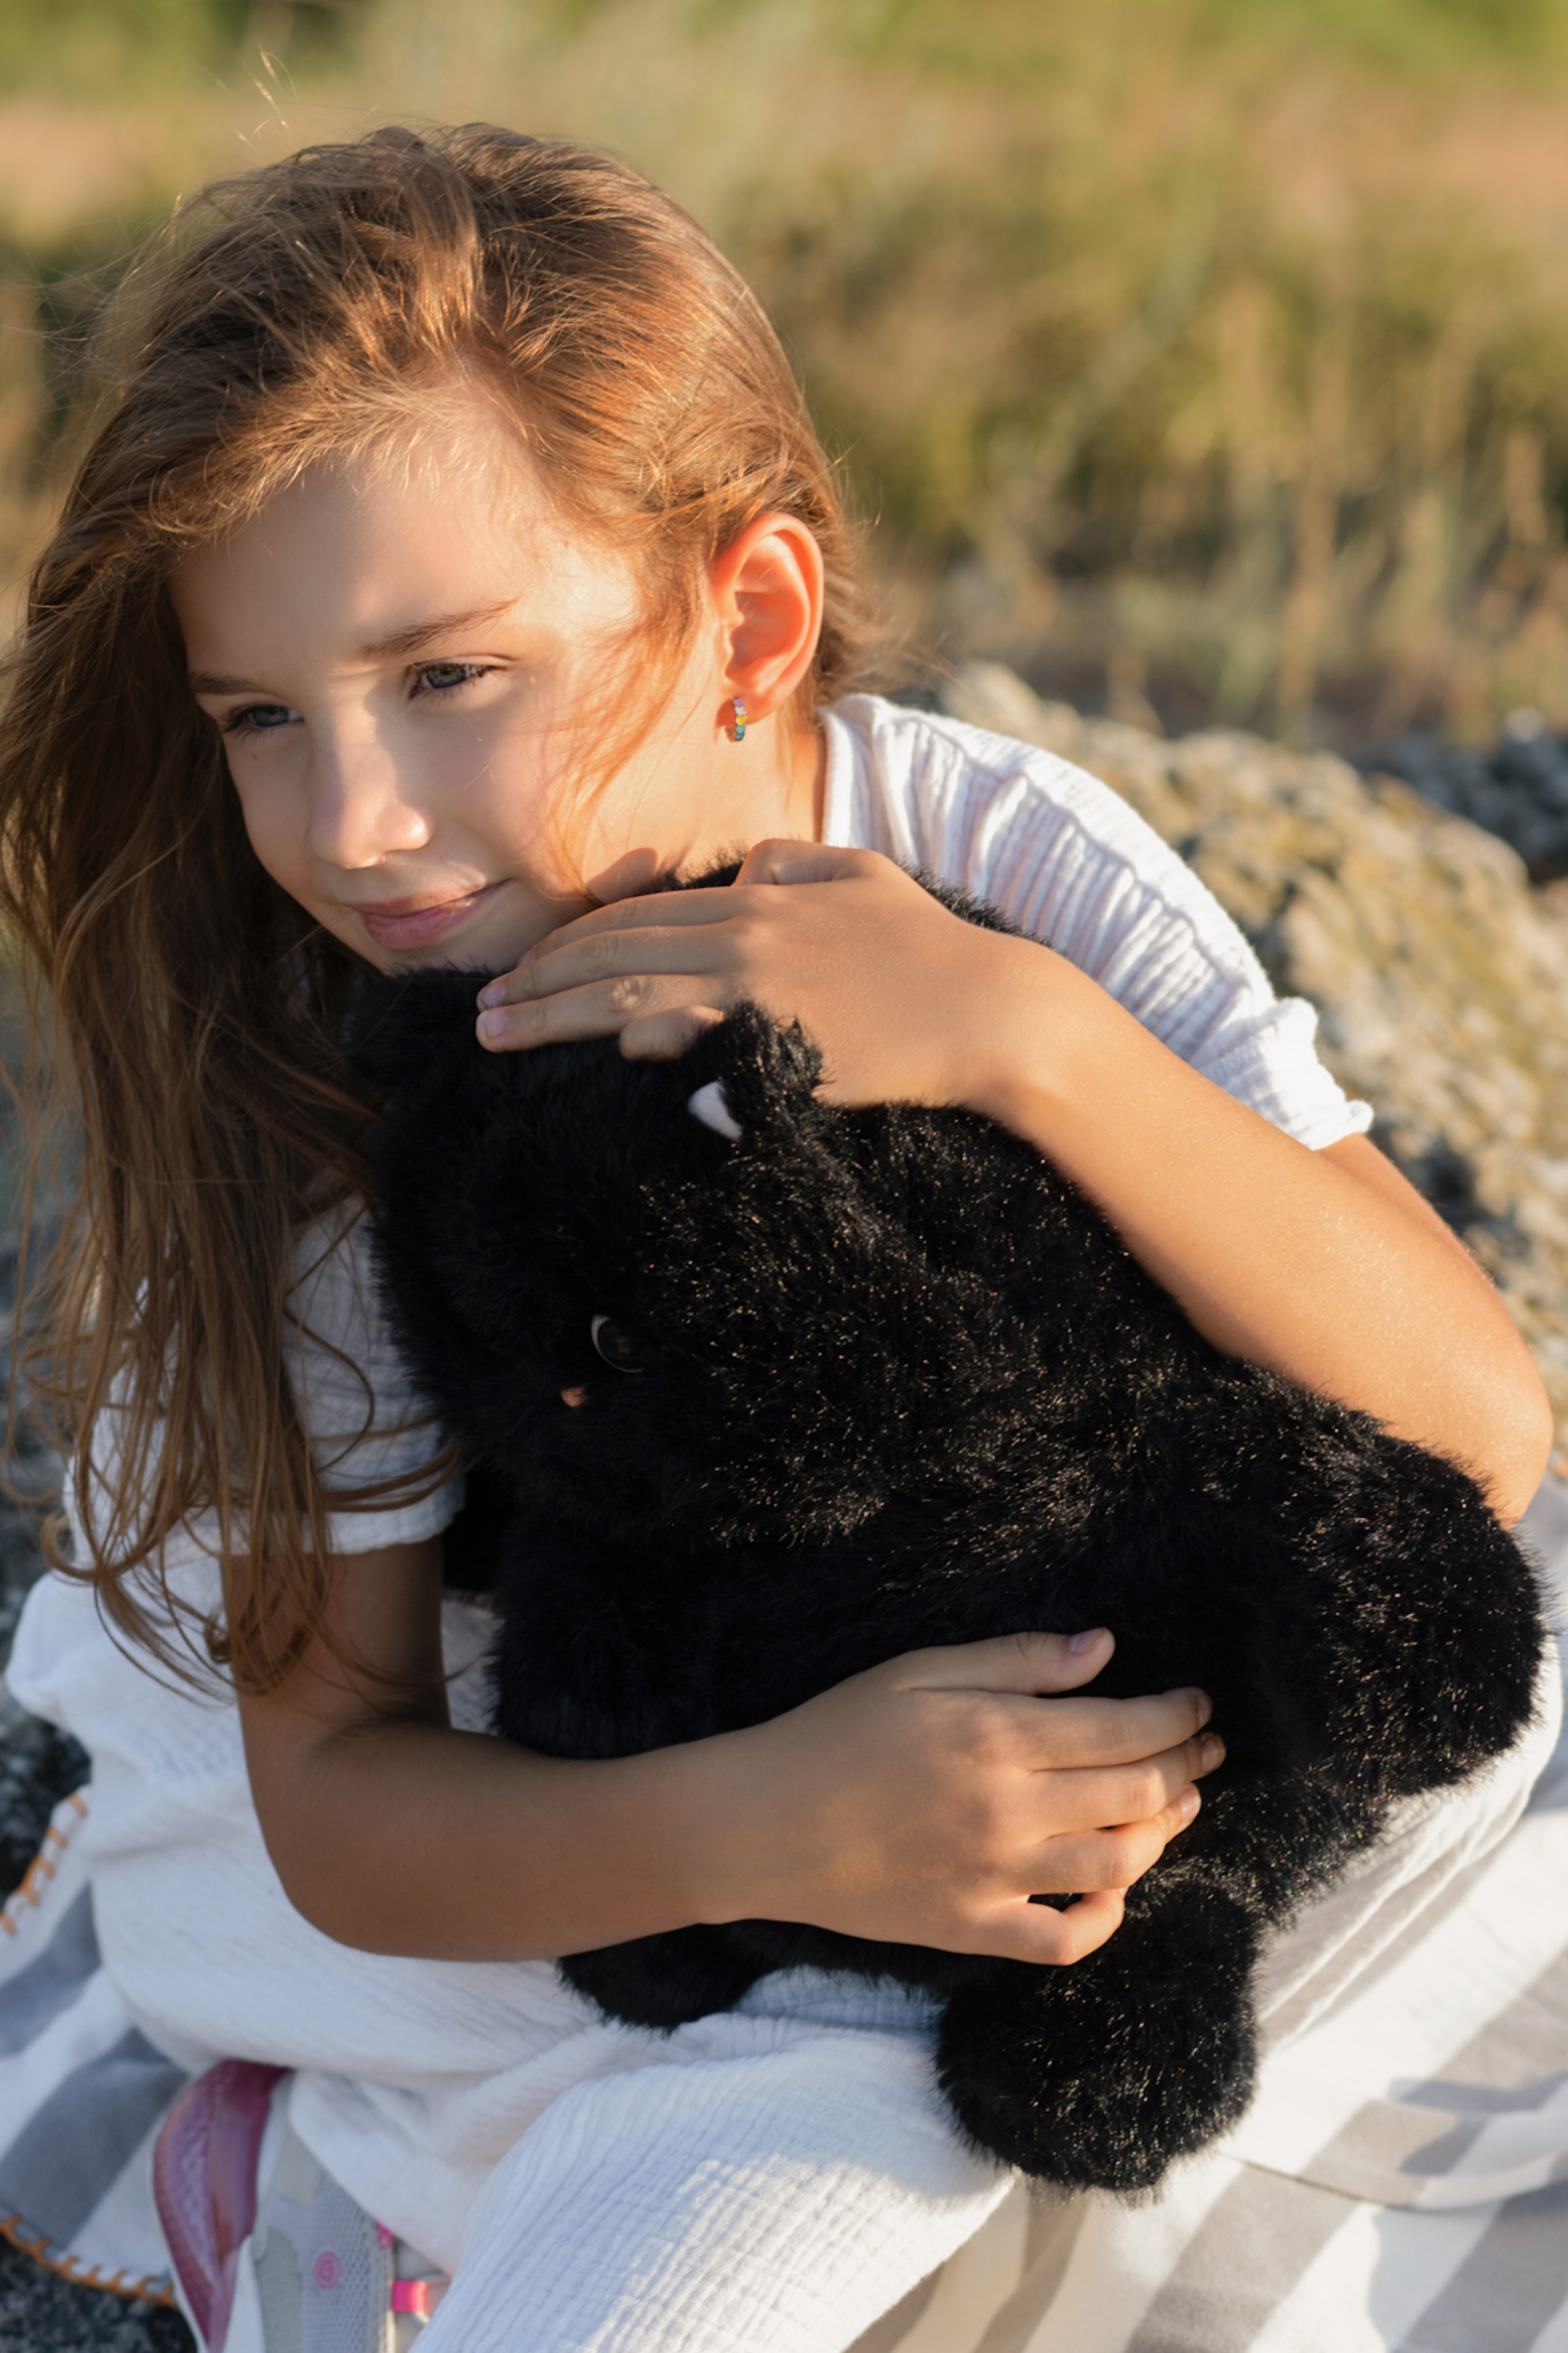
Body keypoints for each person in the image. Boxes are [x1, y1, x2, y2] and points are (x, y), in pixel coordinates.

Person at [0, 124, 1552, 2353]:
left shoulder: (981, 853)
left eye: (446, 677)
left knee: (1476, 1727)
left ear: (750, 620)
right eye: (260, 717)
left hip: (926, 1640)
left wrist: (1023, 1037)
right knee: (847, 2084)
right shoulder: (334, 1097)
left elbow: (1478, 1420)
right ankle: (352, 2176)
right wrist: (773, 1824)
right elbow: (340, 1795)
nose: (352, 825)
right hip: (478, 1773)